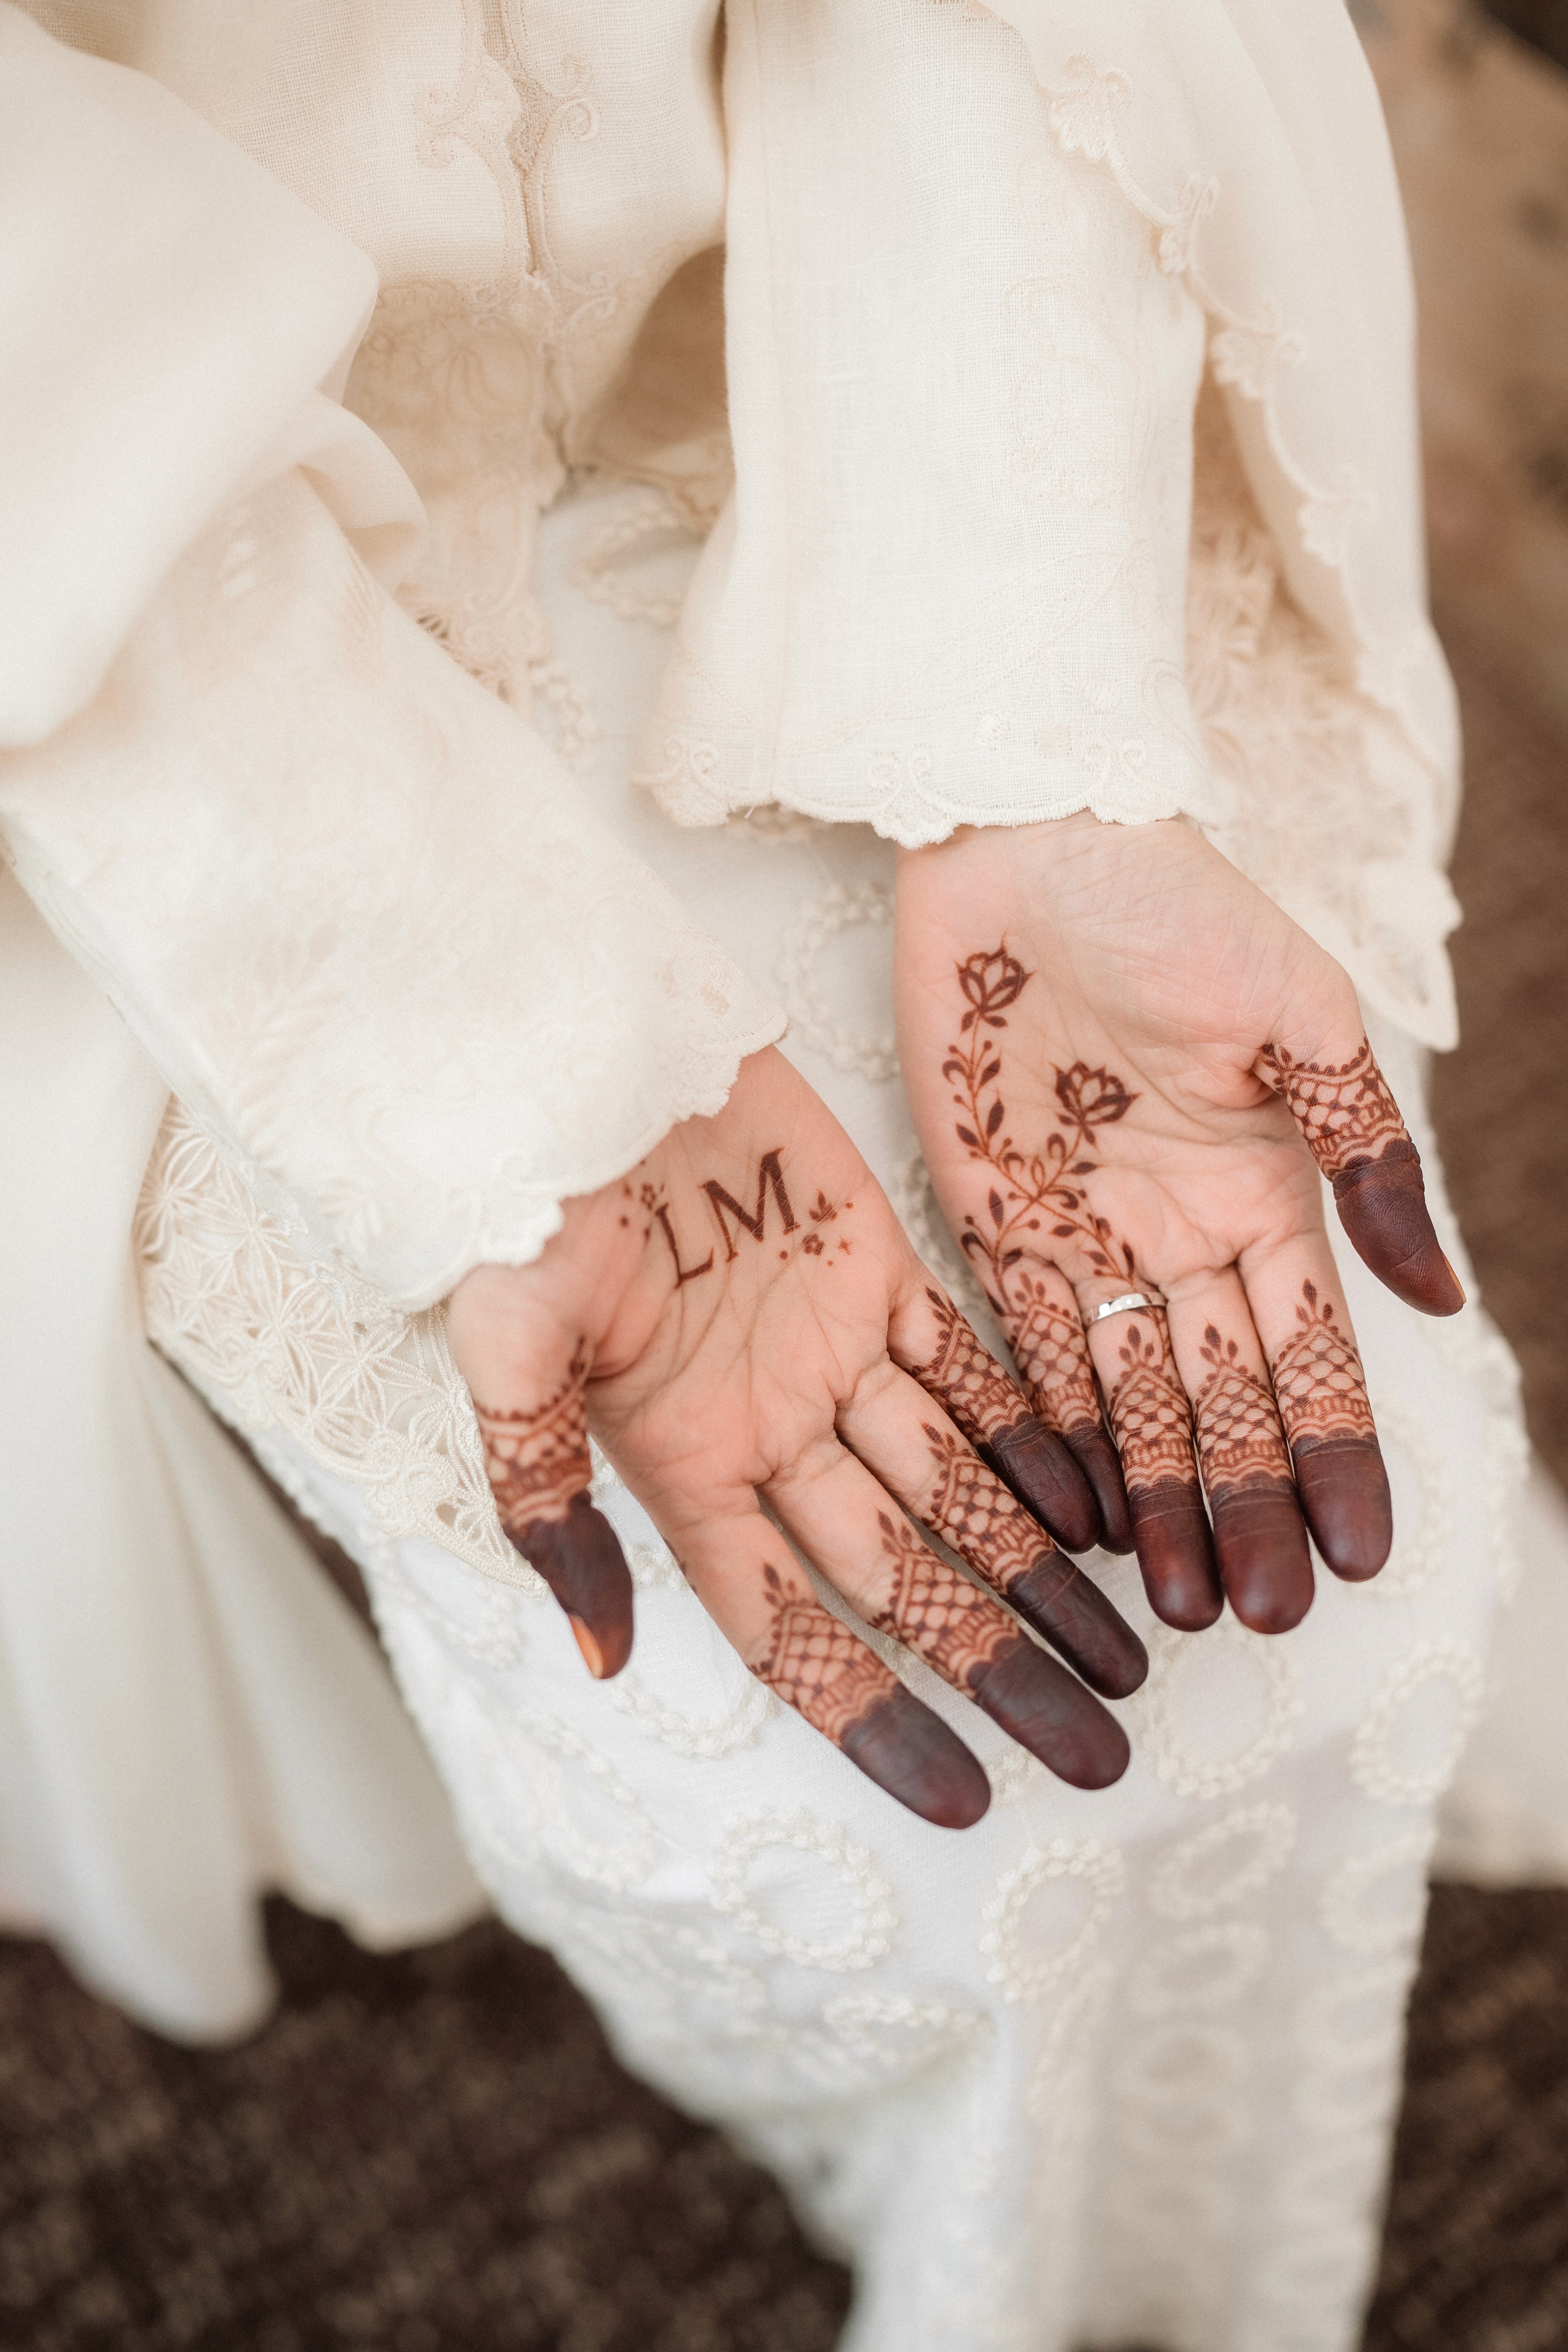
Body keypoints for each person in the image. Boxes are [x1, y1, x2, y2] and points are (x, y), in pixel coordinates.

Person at [0, 5, 1550, 2346]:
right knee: (871, 1822)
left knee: (1376, 1552)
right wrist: (507, 1061)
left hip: (862, 337)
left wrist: (1025, 732)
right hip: (189, 675)